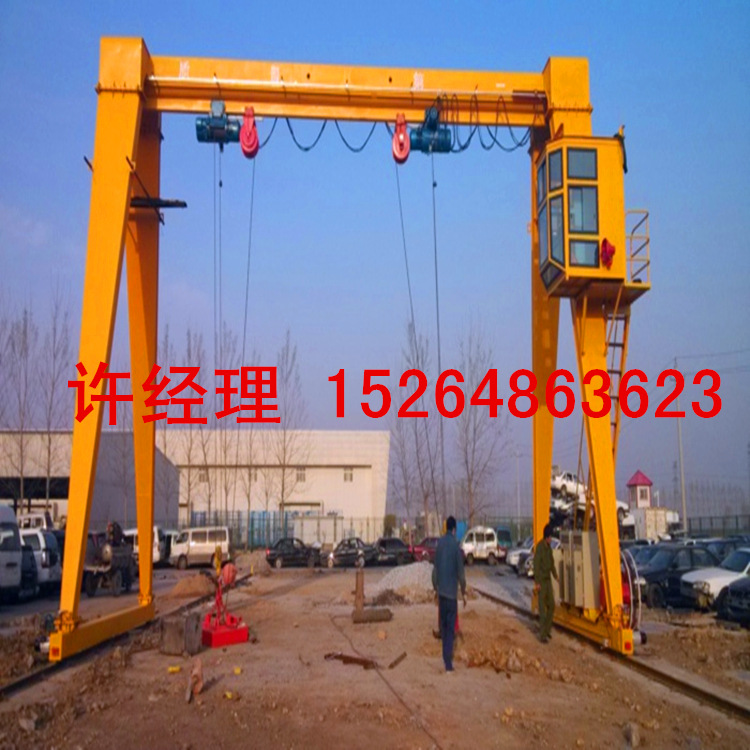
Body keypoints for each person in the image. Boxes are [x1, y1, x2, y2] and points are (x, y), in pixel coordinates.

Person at [432, 516, 466, 673]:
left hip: (441, 594)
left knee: (444, 626)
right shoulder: (455, 546)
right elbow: (461, 573)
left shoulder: (439, 544)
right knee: (450, 627)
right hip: (452, 594)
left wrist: (435, 588)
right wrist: (463, 592)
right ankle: (448, 662)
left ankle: (445, 656)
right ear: (454, 529)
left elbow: (435, 571)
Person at [533, 523, 559, 643]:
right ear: (546, 537)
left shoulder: (548, 548)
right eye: (550, 537)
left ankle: (547, 630)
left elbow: (552, 564)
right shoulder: (540, 548)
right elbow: (536, 565)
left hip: (548, 580)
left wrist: (556, 576)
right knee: (542, 610)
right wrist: (537, 582)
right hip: (542, 582)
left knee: (552, 606)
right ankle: (542, 635)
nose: (551, 539)